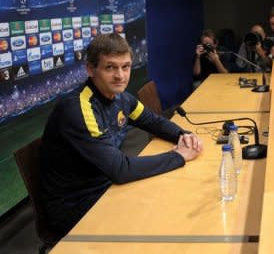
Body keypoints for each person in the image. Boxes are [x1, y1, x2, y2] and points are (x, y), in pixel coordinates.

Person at [40, 34, 203, 235]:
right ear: (90, 69)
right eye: (110, 67)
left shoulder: (121, 98)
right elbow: (120, 170)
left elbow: (153, 121)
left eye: (125, 67)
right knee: (160, 217)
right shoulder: (79, 109)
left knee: (173, 197)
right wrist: (178, 156)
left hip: (107, 186)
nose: (120, 75)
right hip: (75, 206)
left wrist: (184, 135)